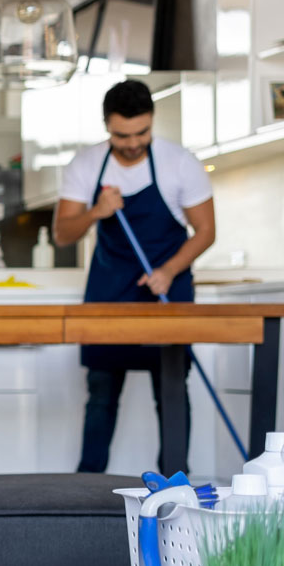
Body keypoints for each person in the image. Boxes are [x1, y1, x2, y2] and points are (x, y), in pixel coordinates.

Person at [53, 78, 217, 475]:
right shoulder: (87, 164)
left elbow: (206, 231)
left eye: (141, 132)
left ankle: (176, 483)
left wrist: (168, 271)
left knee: (172, 388)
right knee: (101, 392)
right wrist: (96, 211)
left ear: (152, 121)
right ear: (107, 126)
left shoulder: (180, 163)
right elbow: (62, 234)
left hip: (166, 285)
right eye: (120, 135)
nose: (131, 143)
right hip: (109, 289)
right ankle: (87, 486)